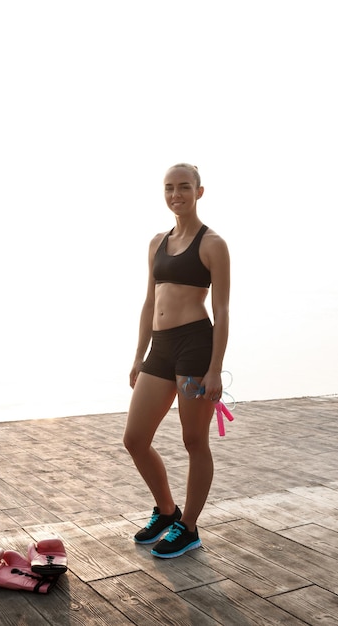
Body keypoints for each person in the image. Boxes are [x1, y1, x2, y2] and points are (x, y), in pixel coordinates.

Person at [123, 163, 230, 559]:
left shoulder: (212, 244)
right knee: (134, 439)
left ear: (199, 191)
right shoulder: (157, 242)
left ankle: (189, 528)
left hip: (195, 348)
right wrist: (139, 354)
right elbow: (149, 302)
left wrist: (215, 368)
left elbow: (222, 310)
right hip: (160, 348)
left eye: (184, 187)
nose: (176, 195)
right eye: (169, 188)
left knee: (193, 440)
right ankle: (167, 512)